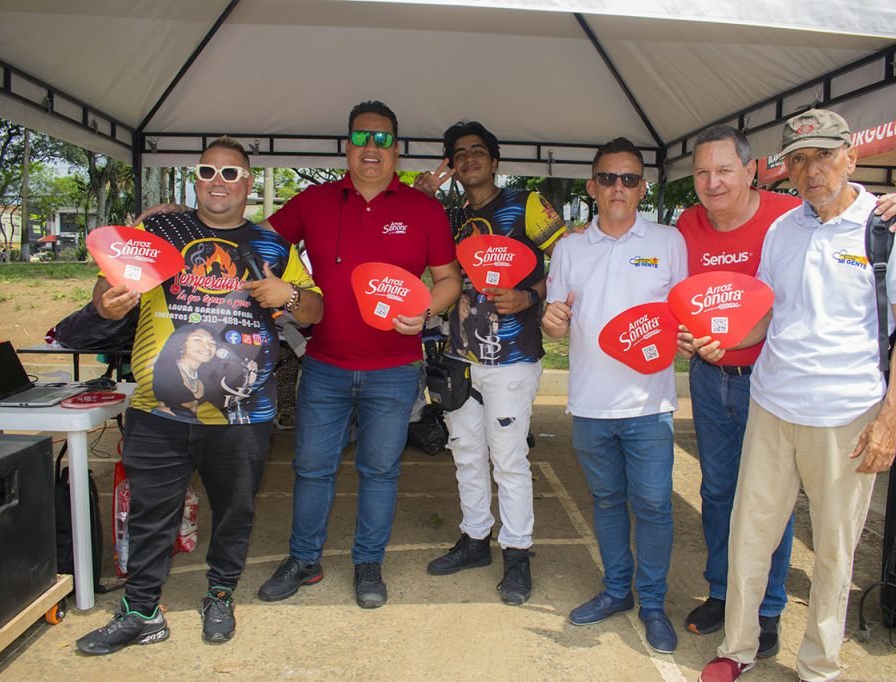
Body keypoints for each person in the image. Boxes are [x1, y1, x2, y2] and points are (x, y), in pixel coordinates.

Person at [696, 109, 896, 682]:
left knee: (833, 549)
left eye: (823, 156)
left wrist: (888, 421)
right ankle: (739, 648)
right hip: (772, 406)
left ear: (851, 156)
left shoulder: (887, 227)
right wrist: (721, 343)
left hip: (846, 415)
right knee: (750, 536)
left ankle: (820, 664)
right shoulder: (784, 229)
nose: (810, 170)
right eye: (798, 159)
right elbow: (767, 315)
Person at [76, 137, 323, 654]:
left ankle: (220, 595)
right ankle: (141, 612)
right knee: (151, 512)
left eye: (231, 173)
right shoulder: (160, 229)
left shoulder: (273, 245)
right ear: (196, 178)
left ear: (248, 184)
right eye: (208, 170)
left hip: (242, 411)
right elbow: (104, 288)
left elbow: (315, 312)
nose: (218, 180)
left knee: (235, 511)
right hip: (155, 405)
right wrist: (108, 304)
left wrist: (291, 295)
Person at [256, 101, 462, 609]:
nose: (373, 148)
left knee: (380, 471)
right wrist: (182, 221)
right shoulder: (314, 201)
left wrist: (427, 311)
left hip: (394, 370)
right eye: (362, 137)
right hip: (325, 365)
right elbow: (256, 240)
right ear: (347, 145)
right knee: (311, 468)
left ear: (398, 148)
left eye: (384, 139)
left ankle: (368, 562)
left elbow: (450, 279)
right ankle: (304, 560)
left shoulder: (424, 209)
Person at [542, 137, 687, 654]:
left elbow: (684, 316)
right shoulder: (570, 247)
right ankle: (615, 591)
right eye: (608, 178)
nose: (618, 187)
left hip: (649, 405)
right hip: (589, 404)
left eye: (629, 179)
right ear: (593, 186)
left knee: (652, 505)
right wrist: (552, 319)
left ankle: (652, 603)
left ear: (642, 188)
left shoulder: (669, 242)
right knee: (605, 501)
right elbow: (556, 326)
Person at [413, 121, 566, 605]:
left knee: (508, 457)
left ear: (495, 161)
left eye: (479, 151)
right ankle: (475, 538)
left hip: (512, 357)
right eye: (460, 154)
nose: (470, 159)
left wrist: (531, 297)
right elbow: (427, 268)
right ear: (453, 166)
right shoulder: (449, 216)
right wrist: (422, 199)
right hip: (459, 355)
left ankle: (517, 554)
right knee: (465, 453)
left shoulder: (526, 204)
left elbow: (568, 257)